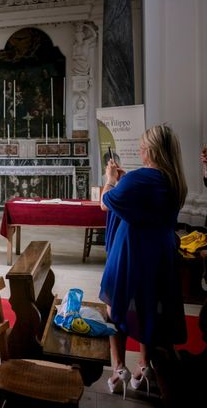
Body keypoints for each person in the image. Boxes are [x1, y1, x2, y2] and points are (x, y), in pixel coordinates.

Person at [100, 125, 187, 398]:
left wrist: (111, 179)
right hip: (160, 254)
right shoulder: (173, 181)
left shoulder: (138, 180)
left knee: (114, 307)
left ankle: (118, 370)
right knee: (150, 307)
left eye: (141, 146)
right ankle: (144, 367)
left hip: (131, 252)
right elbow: (145, 203)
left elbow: (106, 201)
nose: (139, 151)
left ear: (150, 150)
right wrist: (126, 182)